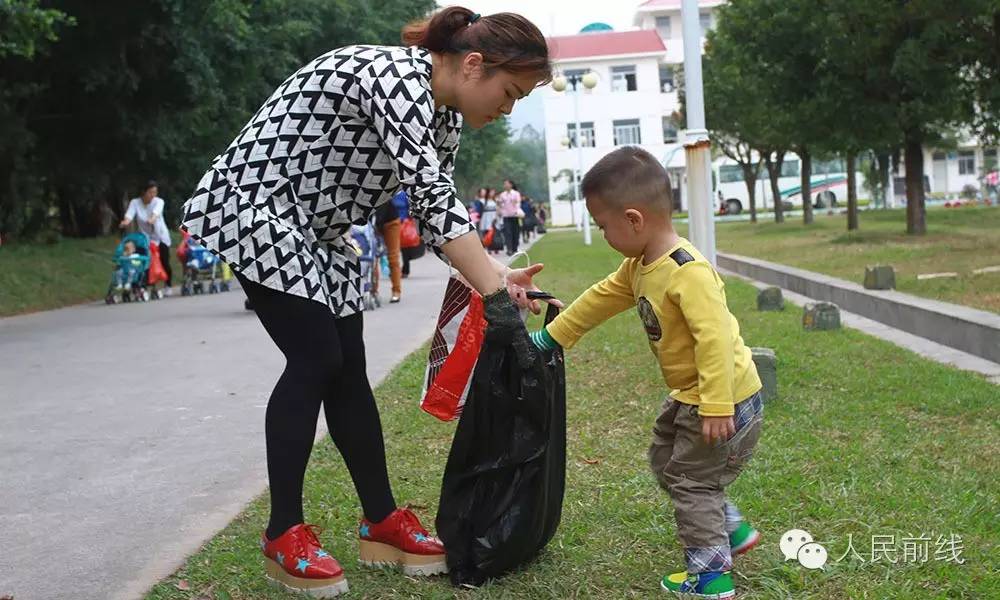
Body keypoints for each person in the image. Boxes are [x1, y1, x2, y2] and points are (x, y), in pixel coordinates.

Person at [180, 7, 555, 597]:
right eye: (509, 93)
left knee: (348, 372)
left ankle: (381, 522)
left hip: (320, 235)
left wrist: (499, 277)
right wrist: (490, 292)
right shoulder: (393, 78)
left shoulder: (445, 117)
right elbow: (431, 195)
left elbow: (436, 218)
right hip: (254, 208)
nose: (508, 108)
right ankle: (283, 534)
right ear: (473, 64)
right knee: (316, 361)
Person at [529, 147, 763, 599]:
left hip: (723, 401)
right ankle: (729, 528)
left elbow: (714, 340)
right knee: (664, 459)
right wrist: (553, 336)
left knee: (692, 483)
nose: (602, 235)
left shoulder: (686, 271)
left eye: (604, 226)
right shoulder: (639, 266)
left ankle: (711, 579)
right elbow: (600, 298)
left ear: (634, 220)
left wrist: (716, 404)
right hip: (692, 397)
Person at [120, 180, 172, 293]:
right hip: (145, 238)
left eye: (155, 192)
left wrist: (152, 219)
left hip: (160, 235)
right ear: (143, 192)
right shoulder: (135, 202)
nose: (153, 195)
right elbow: (129, 214)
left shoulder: (159, 201)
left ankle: (168, 285)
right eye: (150, 192)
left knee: (164, 261)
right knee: (143, 260)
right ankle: (142, 284)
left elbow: (156, 212)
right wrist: (125, 222)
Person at [373, 201, 403, 303]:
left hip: (391, 221)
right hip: (373, 223)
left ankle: (396, 291)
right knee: (372, 258)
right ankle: (373, 291)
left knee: (393, 257)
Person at [496, 178, 522, 255]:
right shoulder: (502, 195)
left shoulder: (516, 194)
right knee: (507, 233)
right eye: (504, 184)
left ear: (511, 185)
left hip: (514, 215)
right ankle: (509, 249)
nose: (505, 185)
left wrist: (515, 205)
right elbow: (500, 204)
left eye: (507, 184)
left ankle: (515, 248)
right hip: (506, 216)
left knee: (515, 232)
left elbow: (518, 203)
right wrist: (499, 207)